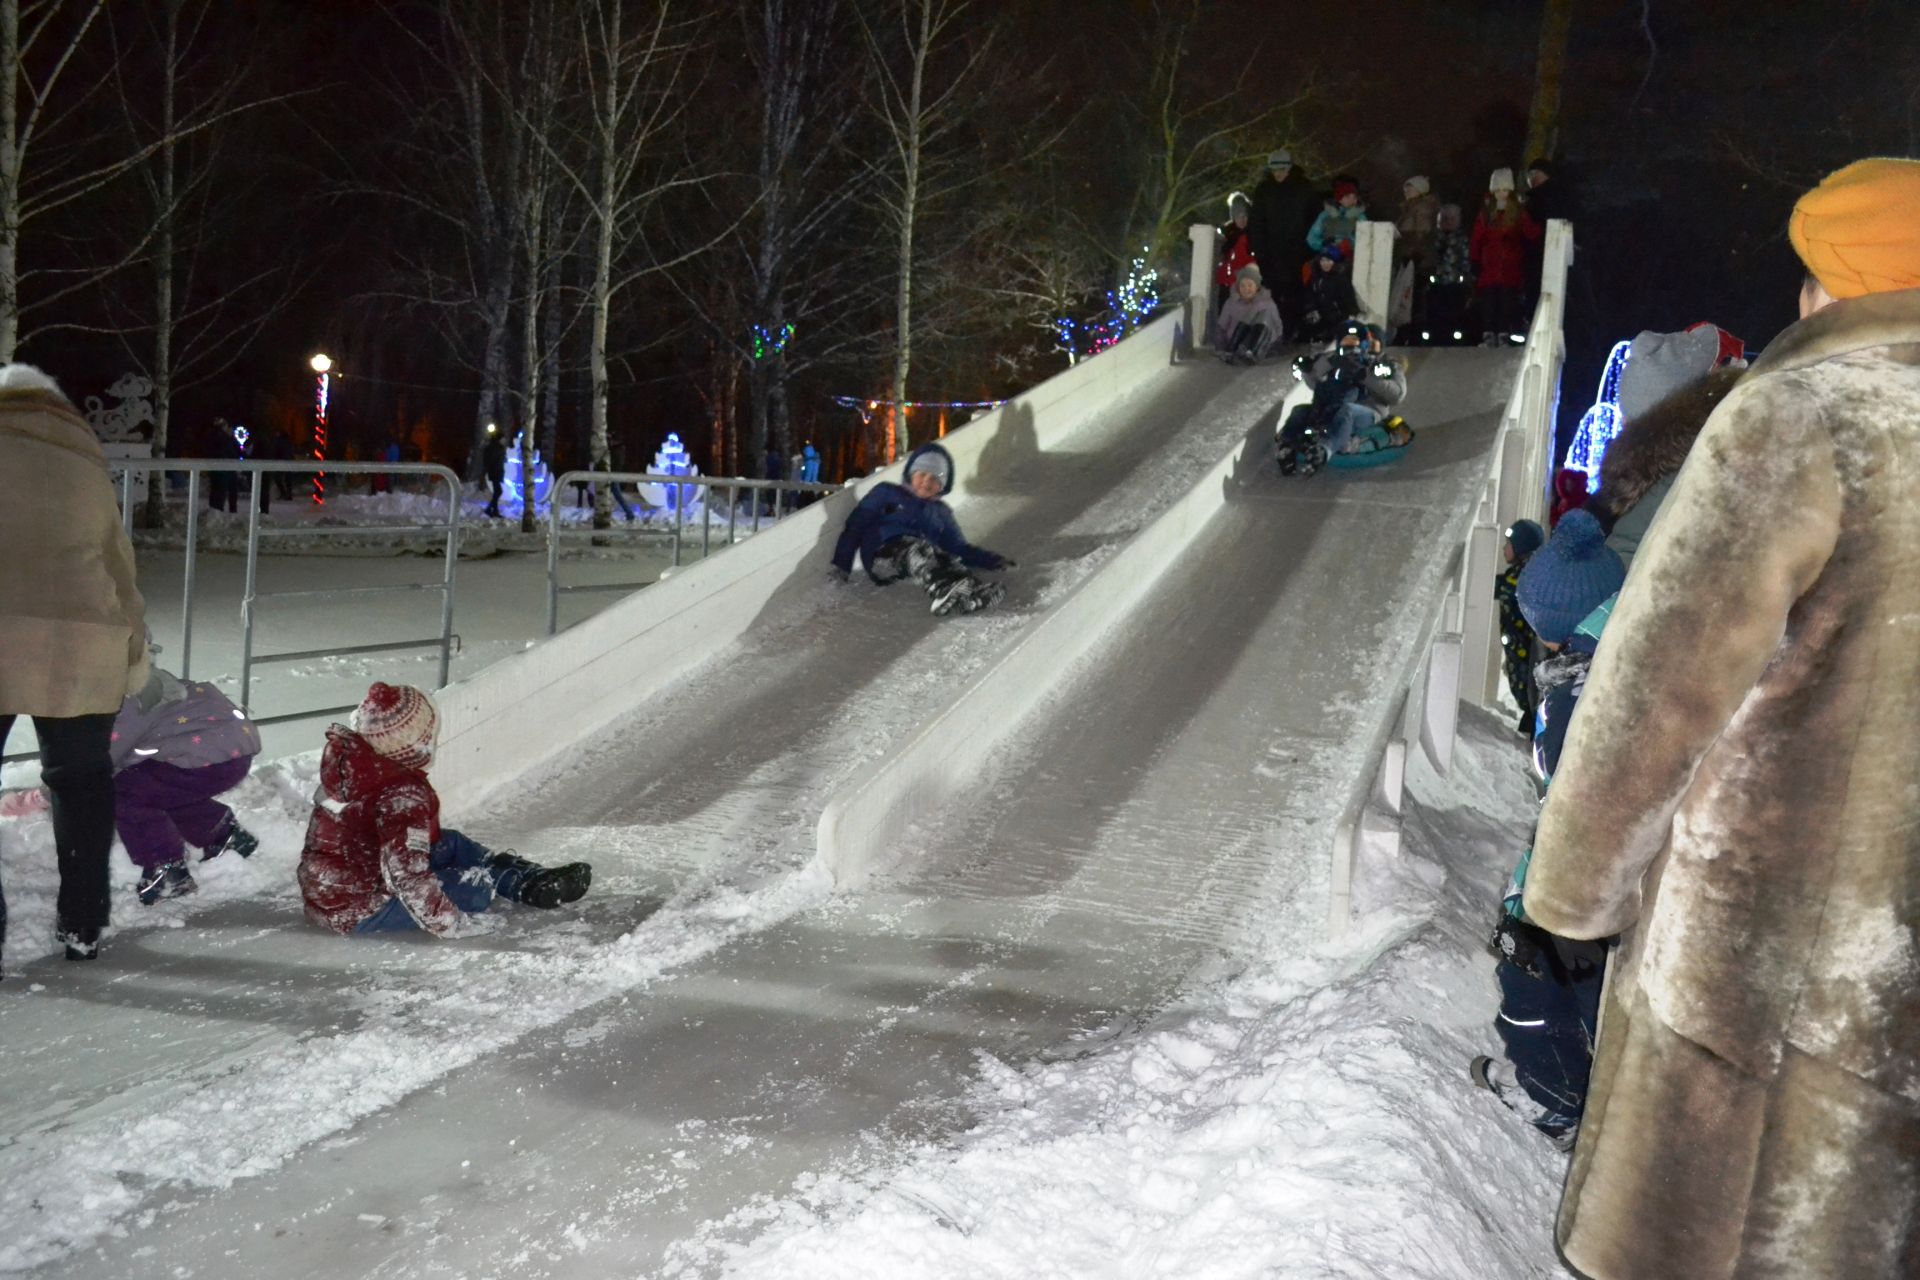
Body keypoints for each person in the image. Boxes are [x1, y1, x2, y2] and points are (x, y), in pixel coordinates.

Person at [1521, 157, 1920, 1280]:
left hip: (1754, 954)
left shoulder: (1798, 419)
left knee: (1712, 1231)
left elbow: (1662, 684)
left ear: (1834, 287)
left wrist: (1573, 888)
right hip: (1894, 979)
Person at [1471, 508, 1626, 1149]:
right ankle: (1595, 1101)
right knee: (1587, 988)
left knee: (1530, 976)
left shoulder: (1578, 691)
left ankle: (1558, 1104)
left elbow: (1572, 802)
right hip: (1616, 874)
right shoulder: (1620, 658)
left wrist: (1529, 898)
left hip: (1588, 875)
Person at [0, 363, 147, 965]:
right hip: (83, 642)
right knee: (81, 783)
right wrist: (133, 653)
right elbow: (118, 564)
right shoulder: (84, 458)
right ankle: (82, 924)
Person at [299, 682, 591, 936]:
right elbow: (406, 877)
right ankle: (494, 879)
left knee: (450, 842)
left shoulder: (355, 767)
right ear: (412, 743)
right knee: (474, 890)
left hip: (332, 892)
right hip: (359, 909)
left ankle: (524, 881)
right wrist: (452, 923)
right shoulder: (401, 796)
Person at [111, 656, 261, 906]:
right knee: (162, 787)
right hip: (229, 748)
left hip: (208, 755)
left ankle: (167, 870)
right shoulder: (147, 681)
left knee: (125, 793)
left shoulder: (125, 701)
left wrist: (51, 793)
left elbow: (101, 759)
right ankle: (223, 834)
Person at [829, 443, 1013, 616]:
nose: (926, 481)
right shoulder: (886, 493)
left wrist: (991, 560)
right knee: (918, 549)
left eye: (934, 478)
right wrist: (842, 566)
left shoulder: (940, 512)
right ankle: (943, 590)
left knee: (945, 557)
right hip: (881, 557)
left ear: (942, 486)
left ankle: (969, 593)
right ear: (911, 473)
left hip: (915, 562)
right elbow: (855, 526)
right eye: (922, 474)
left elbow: (959, 548)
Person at [1276, 320, 1407, 475]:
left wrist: (1365, 376)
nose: (1370, 347)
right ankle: (1287, 447)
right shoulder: (1340, 359)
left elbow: (1397, 395)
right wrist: (1307, 369)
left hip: (1369, 410)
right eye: (1368, 342)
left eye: (1374, 343)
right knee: (1301, 411)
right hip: (1337, 405)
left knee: (1348, 411)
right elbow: (1317, 383)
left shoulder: (1386, 365)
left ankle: (1325, 450)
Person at [1247, 149, 1320, 336]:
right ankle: (1273, 333)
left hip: (1298, 251)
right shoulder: (1264, 190)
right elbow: (1256, 222)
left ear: (1289, 168)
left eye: (1282, 168)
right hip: (1270, 253)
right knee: (1272, 293)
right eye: (1274, 169)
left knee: (1296, 293)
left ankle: (1291, 332)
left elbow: (1315, 220)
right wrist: (1259, 249)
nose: (1278, 173)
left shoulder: (1305, 188)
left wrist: (1309, 248)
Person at [1470, 169, 1539, 343]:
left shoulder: (1517, 212)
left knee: (1508, 300)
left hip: (1510, 265)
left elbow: (1531, 232)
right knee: (1489, 300)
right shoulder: (1486, 213)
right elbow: (1476, 238)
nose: (1501, 194)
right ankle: (1488, 332)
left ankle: (1503, 332)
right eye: (1498, 190)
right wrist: (1475, 259)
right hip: (1490, 265)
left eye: (1505, 190)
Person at [1494, 518, 1544, 736]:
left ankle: (1532, 728)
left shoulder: (1520, 577)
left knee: (1527, 690)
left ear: (1521, 548)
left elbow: (1500, 587)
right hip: (1522, 646)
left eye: (1509, 544)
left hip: (1524, 647)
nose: (1504, 549)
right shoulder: (1527, 571)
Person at [1393, 175, 1441, 339]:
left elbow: (1423, 233)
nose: (1406, 191)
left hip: (1419, 260)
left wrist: (1409, 244)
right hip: (1411, 258)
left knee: (1414, 296)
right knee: (1409, 295)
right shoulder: (1410, 208)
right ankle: (1408, 330)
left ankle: (1412, 332)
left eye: (1410, 188)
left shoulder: (1423, 208)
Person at [1212, 263, 1283, 365]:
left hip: (1260, 346)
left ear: (1256, 286)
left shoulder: (1267, 303)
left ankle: (1250, 352)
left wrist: (1274, 346)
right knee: (1247, 321)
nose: (1246, 289)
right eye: (1243, 286)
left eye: (1250, 285)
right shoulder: (1231, 303)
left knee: (1263, 315)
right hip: (1236, 343)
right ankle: (1234, 351)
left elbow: (1277, 327)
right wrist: (1220, 348)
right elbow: (1221, 327)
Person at [1426, 203, 1474, 342]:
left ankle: (1453, 337)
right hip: (1437, 281)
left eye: (1451, 219)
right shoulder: (1436, 238)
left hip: (1454, 282)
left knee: (1454, 312)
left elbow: (1465, 259)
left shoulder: (1460, 238)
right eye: (1444, 219)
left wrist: (1465, 277)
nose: (1447, 222)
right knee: (1435, 310)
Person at [1299, 243, 1359, 344]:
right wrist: (1312, 309)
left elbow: (1348, 301)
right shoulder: (1316, 278)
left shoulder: (1341, 280)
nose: (1325, 264)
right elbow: (1311, 295)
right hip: (1321, 318)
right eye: (1323, 260)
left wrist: (1349, 317)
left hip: (1336, 320)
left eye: (1329, 260)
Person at [1214, 192, 1258, 315]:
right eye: (1239, 216)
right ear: (1233, 217)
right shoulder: (1227, 234)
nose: (1242, 219)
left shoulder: (1253, 235)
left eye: (1245, 216)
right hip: (1227, 284)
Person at [1306, 177, 1366, 261]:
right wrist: (1323, 243)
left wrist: (1350, 243)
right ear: (1340, 199)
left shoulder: (1360, 217)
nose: (1353, 200)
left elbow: (1365, 240)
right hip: (1327, 259)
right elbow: (1311, 238)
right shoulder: (1325, 215)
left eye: (1354, 197)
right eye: (1348, 196)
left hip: (1350, 260)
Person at [206, 417, 240, 514]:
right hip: (226, 468)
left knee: (215, 490)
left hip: (214, 468)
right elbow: (234, 452)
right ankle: (227, 511)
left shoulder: (211, 436)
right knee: (225, 492)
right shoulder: (226, 438)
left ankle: (213, 511)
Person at [481, 430, 506, 518]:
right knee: (498, 491)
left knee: (497, 491)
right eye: (503, 438)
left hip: (494, 471)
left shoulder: (492, 447)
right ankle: (492, 510)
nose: (504, 440)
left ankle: (492, 510)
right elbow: (496, 461)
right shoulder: (498, 448)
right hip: (496, 471)